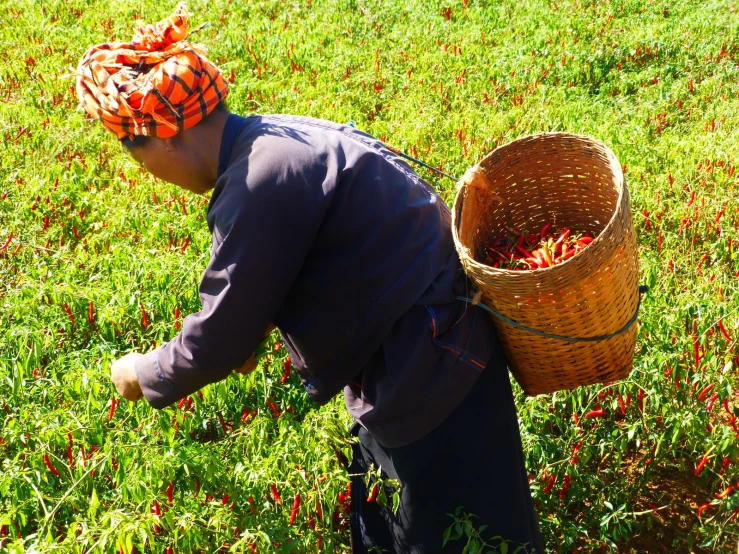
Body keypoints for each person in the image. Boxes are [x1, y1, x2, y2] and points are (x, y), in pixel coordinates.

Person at [76, 5, 543, 553]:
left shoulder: (258, 181)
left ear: (166, 136)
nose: (153, 175)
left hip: (428, 372)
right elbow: (272, 282)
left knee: (452, 536)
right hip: (432, 354)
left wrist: (142, 372)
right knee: (417, 525)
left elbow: (218, 338)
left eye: (140, 158)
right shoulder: (272, 140)